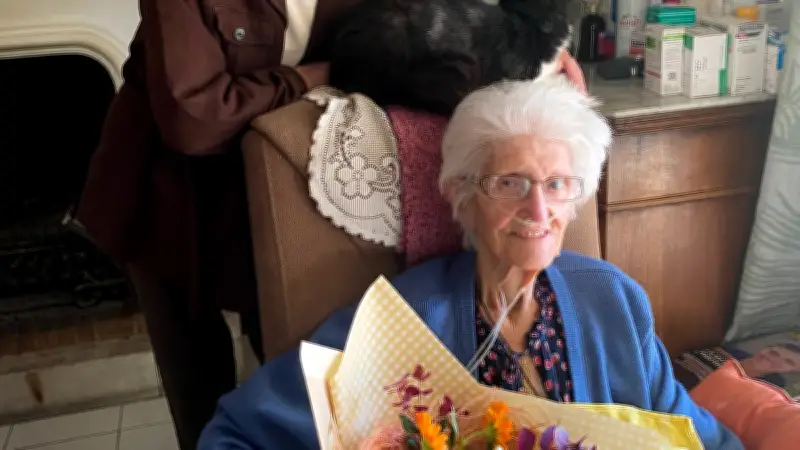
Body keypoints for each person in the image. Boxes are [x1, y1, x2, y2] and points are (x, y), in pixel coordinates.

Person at [75, 0, 590, 448]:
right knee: (201, 397)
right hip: (165, 195)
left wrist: (541, 57)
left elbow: (438, 27)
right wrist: (319, 75)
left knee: (293, 374)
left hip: (275, 183)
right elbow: (195, 116)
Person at [196, 78, 743, 449]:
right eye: (509, 183)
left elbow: (694, 437)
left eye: (556, 185)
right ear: (462, 195)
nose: (538, 209)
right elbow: (237, 431)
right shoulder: (404, 320)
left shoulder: (612, 299)